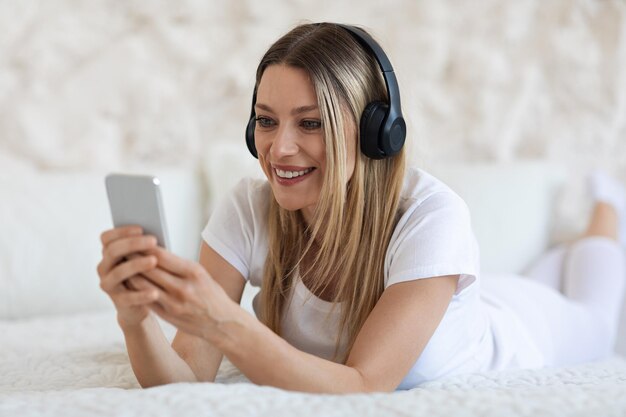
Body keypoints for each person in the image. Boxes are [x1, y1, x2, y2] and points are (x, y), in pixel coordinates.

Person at [96, 22, 626, 393]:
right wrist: (136, 320)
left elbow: (365, 388)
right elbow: (187, 380)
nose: (279, 149)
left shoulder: (432, 217)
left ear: (376, 132)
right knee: (546, 271)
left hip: (523, 329)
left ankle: (607, 206)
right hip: (462, 296)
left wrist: (225, 322)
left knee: (597, 315)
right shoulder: (247, 209)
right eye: (265, 120)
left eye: (310, 123)